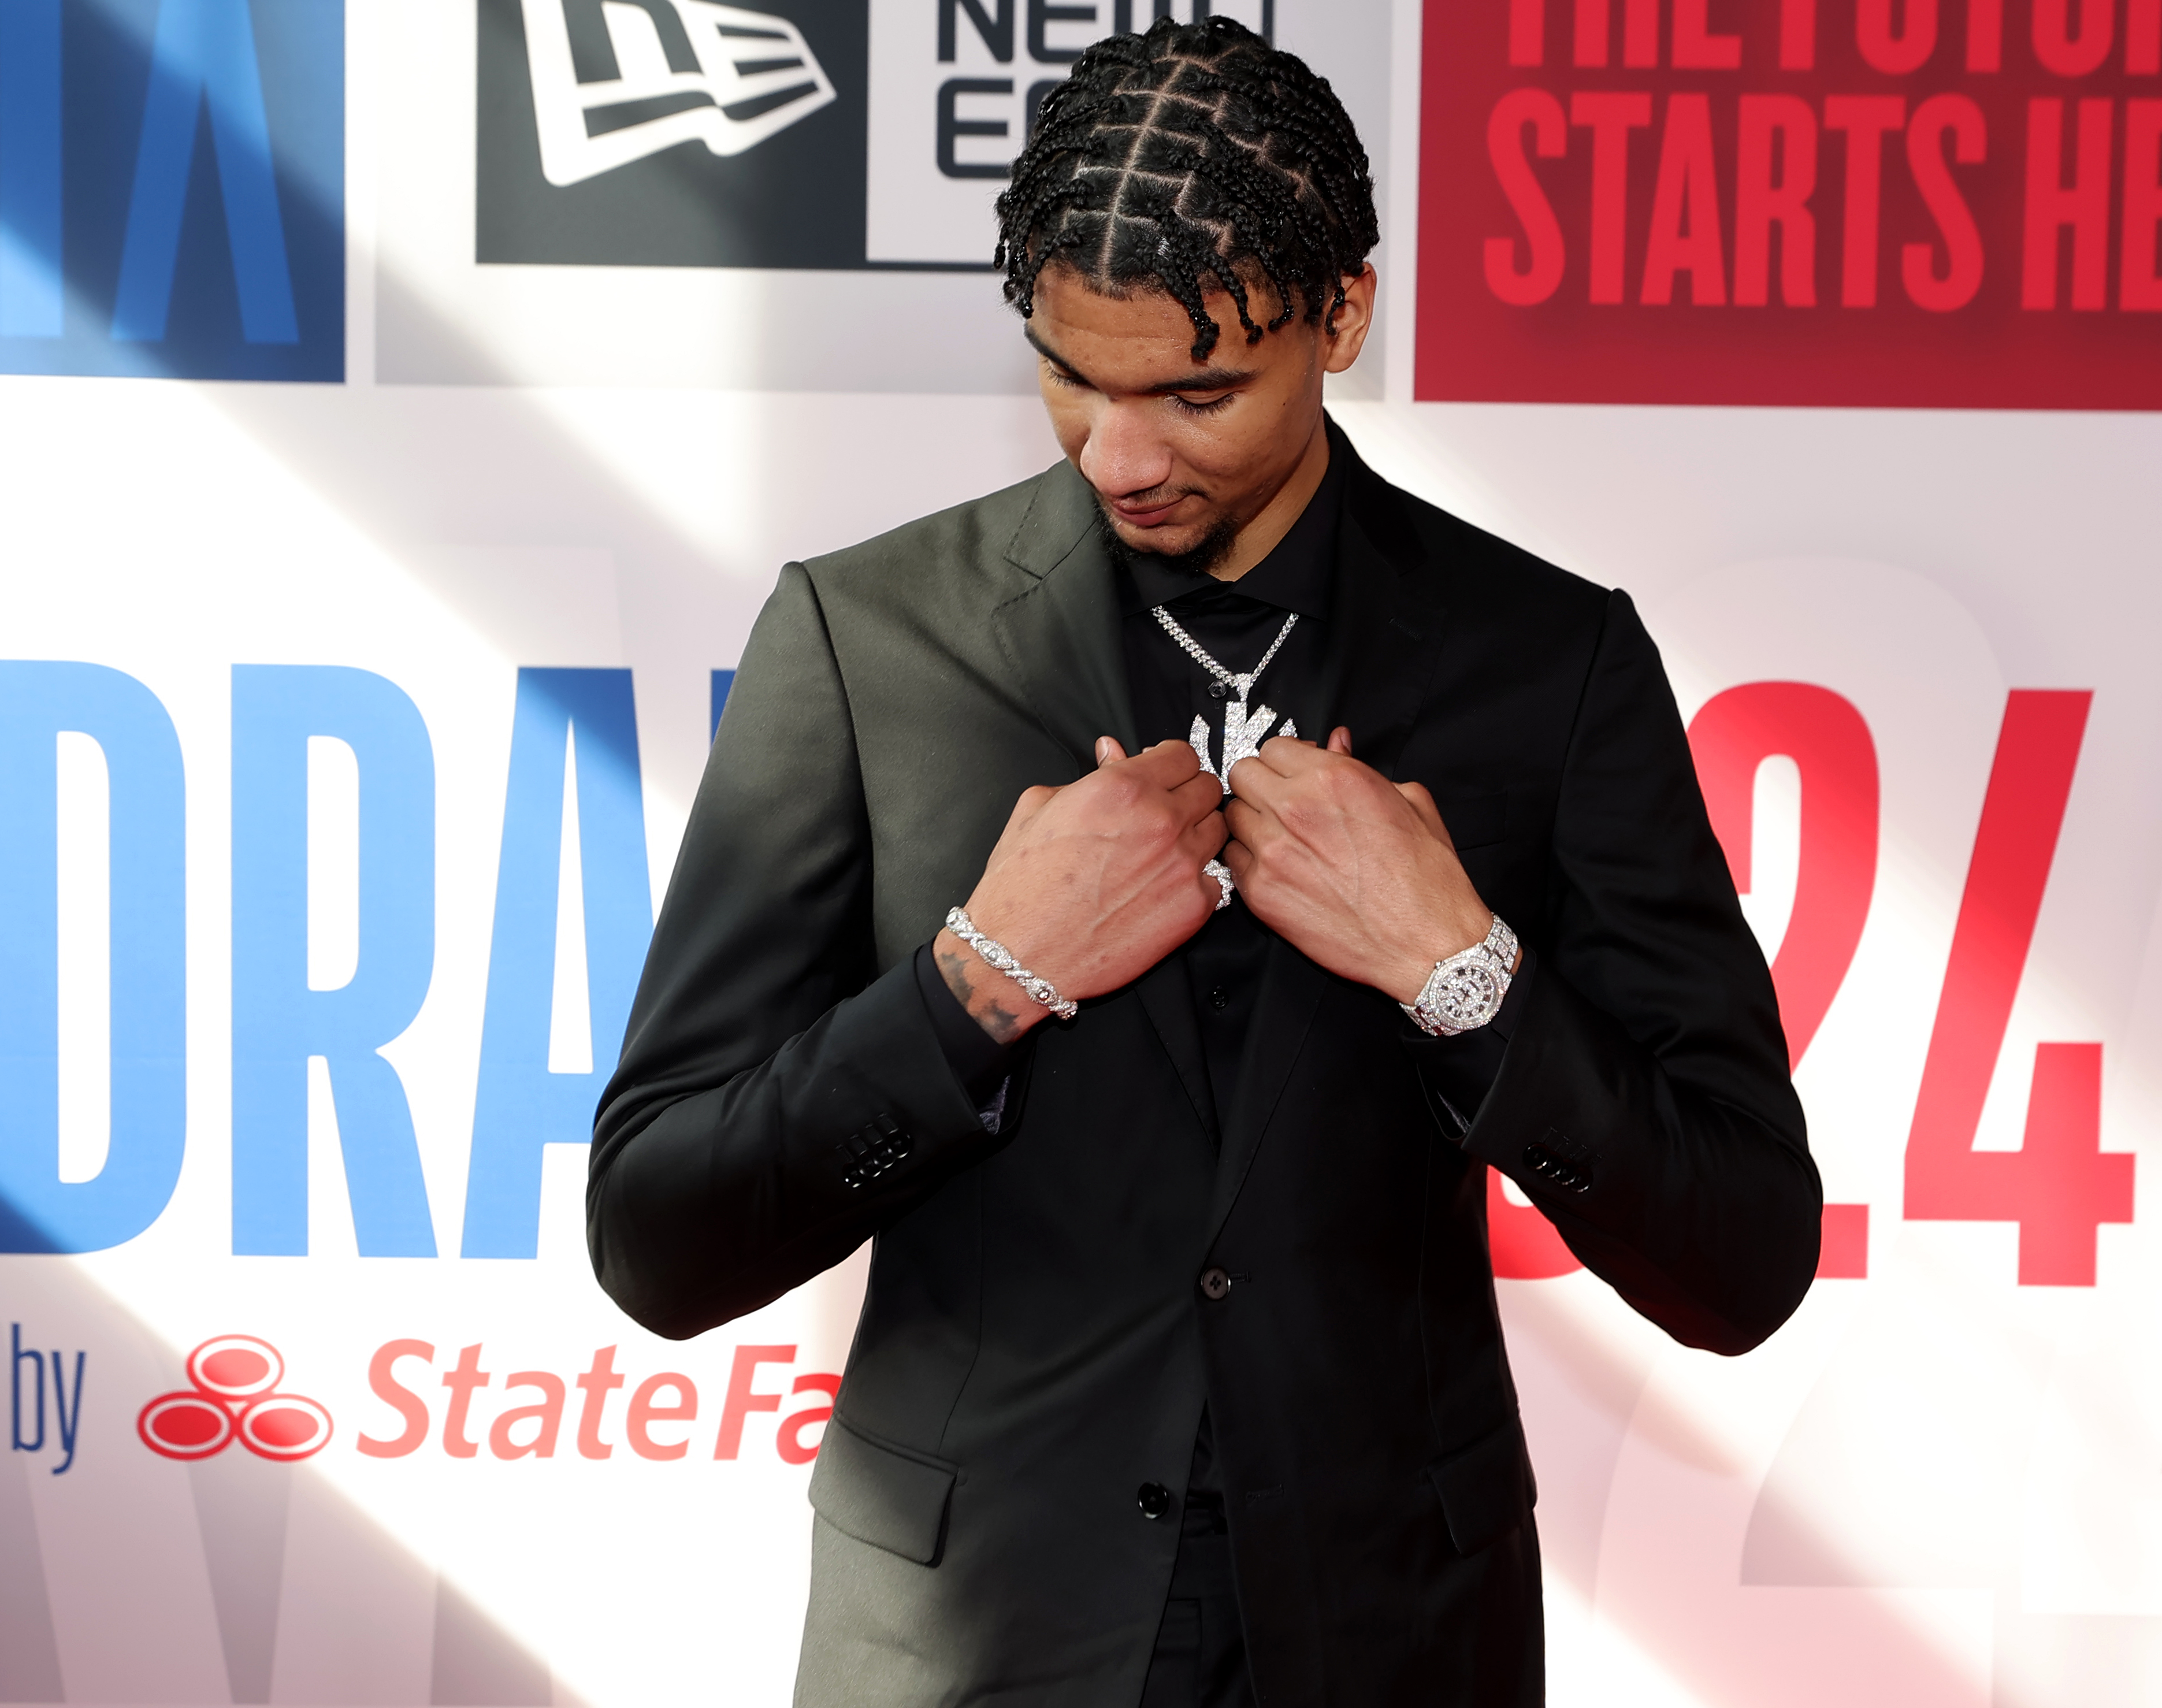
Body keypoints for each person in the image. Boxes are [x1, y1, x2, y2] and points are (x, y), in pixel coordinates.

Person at [590, 18, 1819, 1705]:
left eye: (1194, 392)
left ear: (1343, 316)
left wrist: (1463, 976)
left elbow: (1738, 1257)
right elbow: (658, 1238)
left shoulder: (1545, 662)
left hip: (1395, 1640)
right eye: (1069, 377)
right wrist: (972, 988)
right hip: (972, 1645)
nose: (1119, 456)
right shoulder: (864, 643)